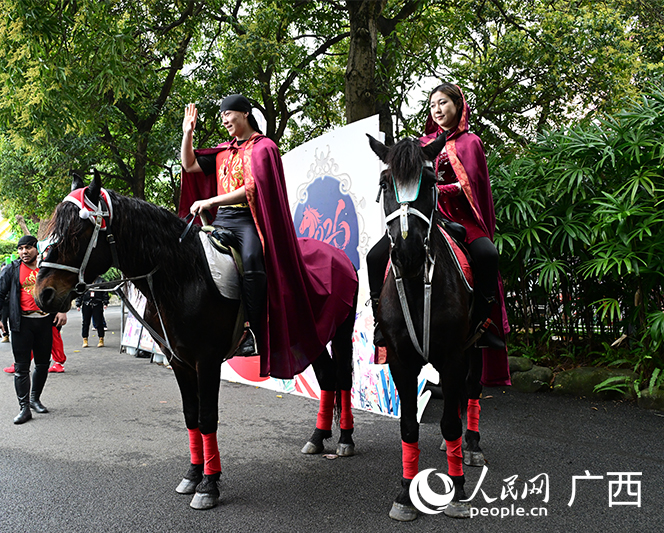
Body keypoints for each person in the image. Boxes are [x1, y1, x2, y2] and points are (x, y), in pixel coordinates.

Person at [179, 94, 357, 378]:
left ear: (245, 114)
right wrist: (188, 133)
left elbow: (253, 189)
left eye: (228, 114)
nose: (224, 120)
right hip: (222, 222)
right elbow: (189, 165)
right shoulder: (223, 152)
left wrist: (212, 201)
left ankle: (250, 332)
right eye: (222, 116)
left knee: (252, 260)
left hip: (249, 221)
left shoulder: (265, 148)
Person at [366, 82, 510, 386]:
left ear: (458, 105)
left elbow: (469, 185)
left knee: (487, 253)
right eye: (433, 105)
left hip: (460, 216)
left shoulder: (470, 142)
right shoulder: (421, 143)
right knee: (375, 255)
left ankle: (485, 321)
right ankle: (382, 322)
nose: (438, 109)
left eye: (443, 103)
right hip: (426, 216)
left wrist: (436, 188)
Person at [0, 235, 69, 424]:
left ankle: (35, 399)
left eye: (27, 248)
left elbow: (62, 289)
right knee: (21, 367)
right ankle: (24, 407)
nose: (24, 252)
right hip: (22, 323)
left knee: (42, 364)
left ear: (36, 248)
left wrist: (62, 310)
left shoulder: (47, 267)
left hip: (44, 322)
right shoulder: (12, 269)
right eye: (20, 248)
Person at [76, 283, 109, 348]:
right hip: (86, 303)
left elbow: (105, 291)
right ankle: (85, 339)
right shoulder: (85, 281)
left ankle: (101, 338)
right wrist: (78, 303)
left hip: (97, 303)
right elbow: (80, 293)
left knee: (99, 322)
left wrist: (105, 302)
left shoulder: (100, 281)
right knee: (85, 323)